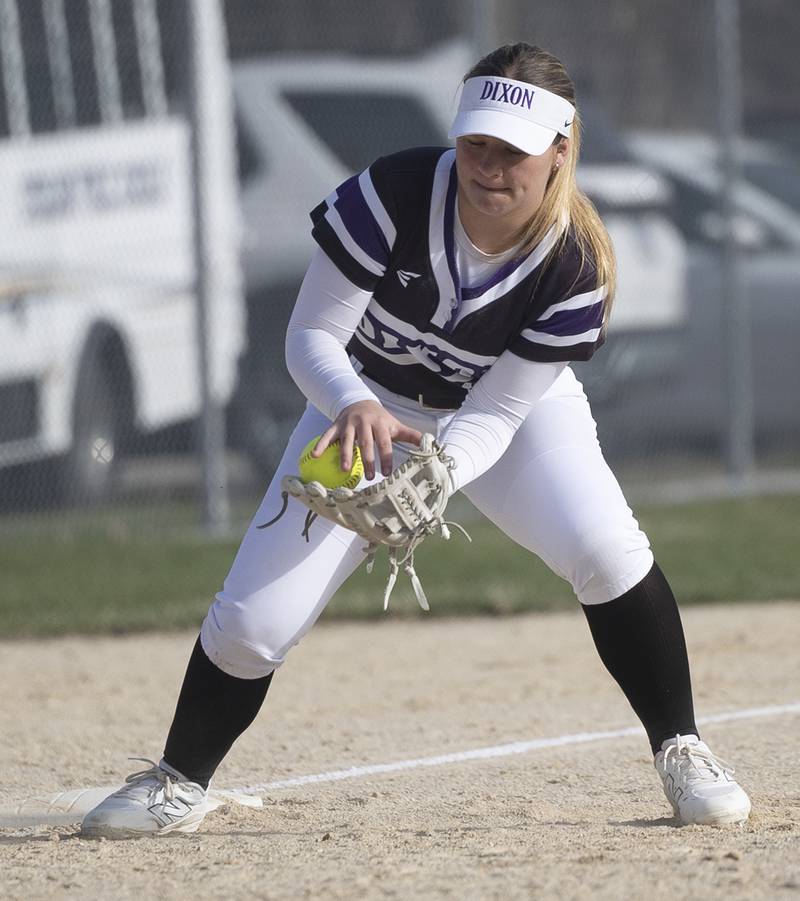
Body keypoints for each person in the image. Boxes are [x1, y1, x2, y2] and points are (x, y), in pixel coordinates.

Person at [81, 42, 751, 838]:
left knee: (607, 549)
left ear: (561, 152)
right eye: (476, 143)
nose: (489, 166)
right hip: (362, 402)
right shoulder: (395, 192)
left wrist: (436, 473)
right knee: (253, 623)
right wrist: (352, 404)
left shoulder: (574, 260)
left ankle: (683, 747)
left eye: (514, 151)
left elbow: (501, 411)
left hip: (510, 415)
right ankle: (177, 780)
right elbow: (309, 337)